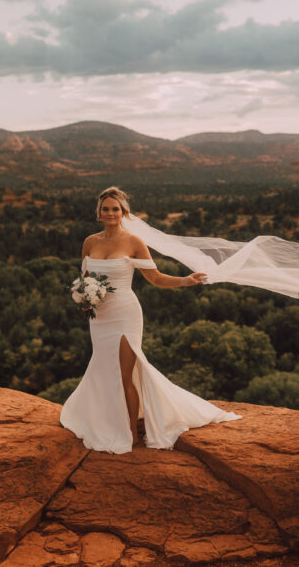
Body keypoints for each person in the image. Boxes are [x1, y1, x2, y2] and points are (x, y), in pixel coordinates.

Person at [60, 187, 241, 454]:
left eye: (115, 209)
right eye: (106, 209)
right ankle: (106, 420)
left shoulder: (134, 242)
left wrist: (184, 280)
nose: (110, 213)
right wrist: (85, 297)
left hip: (124, 313)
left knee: (124, 374)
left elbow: (155, 278)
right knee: (103, 368)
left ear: (124, 213)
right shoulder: (90, 242)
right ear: (99, 213)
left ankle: (131, 430)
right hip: (99, 317)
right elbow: (86, 278)